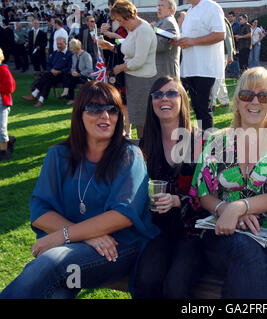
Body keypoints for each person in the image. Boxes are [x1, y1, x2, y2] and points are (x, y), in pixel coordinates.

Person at [0, 81, 160, 299]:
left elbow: (123, 215)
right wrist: (81, 236)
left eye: (112, 109)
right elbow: (40, 211)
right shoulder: (58, 155)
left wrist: (61, 237)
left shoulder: (129, 156)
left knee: (51, 262)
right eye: (94, 108)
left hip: (119, 247)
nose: (104, 115)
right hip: (78, 247)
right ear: (79, 115)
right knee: (57, 290)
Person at [190, 67, 267, 298]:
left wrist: (239, 207)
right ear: (237, 102)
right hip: (221, 233)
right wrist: (224, 211)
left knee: (249, 262)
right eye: (247, 95)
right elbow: (203, 190)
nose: (255, 101)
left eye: (264, 95)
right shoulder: (218, 141)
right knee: (245, 253)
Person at [134, 76, 208, 298]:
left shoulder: (201, 142)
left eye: (171, 93)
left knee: (175, 287)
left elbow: (213, 195)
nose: (164, 99)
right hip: (158, 230)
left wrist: (179, 200)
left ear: (183, 100)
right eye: (157, 95)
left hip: (194, 232)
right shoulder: (146, 145)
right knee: (145, 281)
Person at [99, 0, 157, 139]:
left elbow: (139, 60)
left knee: (143, 121)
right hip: (133, 80)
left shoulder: (143, 30)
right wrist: (111, 47)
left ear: (129, 16)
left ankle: (146, 151)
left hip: (143, 81)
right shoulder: (132, 30)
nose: (120, 24)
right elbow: (127, 49)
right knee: (138, 120)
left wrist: (120, 67)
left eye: (120, 20)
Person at [172, 0, 225, 131]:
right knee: (192, 107)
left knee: (202, 109)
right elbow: (189, 37)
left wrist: (192, 41)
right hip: (189, 68)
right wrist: (178, 40)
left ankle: (208, 145)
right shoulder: (190, 11)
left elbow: (220, 34)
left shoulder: (211, 7)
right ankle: (196, 140)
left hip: (205, 68)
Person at [101, 0, 131, 138]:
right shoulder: (109, 20)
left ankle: (128, 131)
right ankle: (118, 129)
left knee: (125, 102)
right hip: (113, 61)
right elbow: (114, 46)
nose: (111, 10)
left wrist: (114, 37)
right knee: (115, 99)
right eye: (110, 6)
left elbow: (129, 43)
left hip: (124, 63)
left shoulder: (128, 22)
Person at [22, 37, 72, 108]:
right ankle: (40, 100)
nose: (59, 46)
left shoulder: (69, 54)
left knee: (46, 76)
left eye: (60, 44)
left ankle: (34, 94)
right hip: (52, 74)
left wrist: (60, 71)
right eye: (57, 44)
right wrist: (51, 70)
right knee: (47, 80)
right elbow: (48, 64)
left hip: (62, 76)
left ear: (65, 43)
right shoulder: (55, 53)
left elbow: (69, 67)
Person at [60, 38, 93, 105]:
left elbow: (89, 69)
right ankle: (69, 96)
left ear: (76, 47)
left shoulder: (86, 55)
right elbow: (73, 67)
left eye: (72, 48)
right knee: (68, 75)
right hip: (76, 76)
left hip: (85, 76)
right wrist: (73, 72)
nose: (70, 49)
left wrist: (79, 74)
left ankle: (68, 93)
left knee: (71, 79)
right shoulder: (74, 56)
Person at [154, 0, 180, 79]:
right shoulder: (162, 22)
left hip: (166, 72)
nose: (159, 8)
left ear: (171, 11)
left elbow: (161, 46)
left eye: (162, 6)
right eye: (158, 6)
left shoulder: (168, 22)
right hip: (162, 72)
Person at [0, 48, 16, 162]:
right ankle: (9, 141)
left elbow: (10, 87)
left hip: (2, 101)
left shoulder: (3, 70)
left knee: (1, 128)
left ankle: (4, 152)